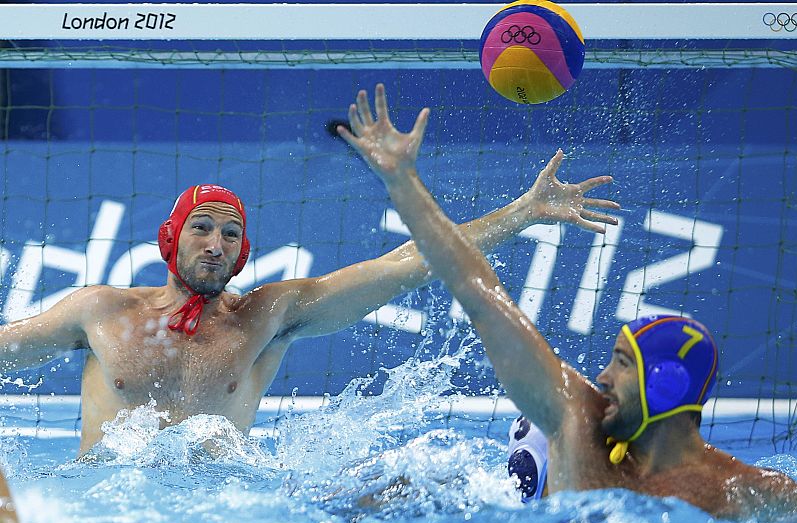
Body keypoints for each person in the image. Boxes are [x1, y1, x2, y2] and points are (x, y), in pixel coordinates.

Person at [0, 101, 618, 458]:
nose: (216, 245)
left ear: (242, 254)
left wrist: (524, 213)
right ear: (170, 239)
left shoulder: (267, 316)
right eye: (202, 229)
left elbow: (402, 266)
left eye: (232, 235)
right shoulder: (101, 311)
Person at [338, 84, 797, 521]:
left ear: (665, 384)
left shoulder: (742, 489)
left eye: (622, 363)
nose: (602, 376)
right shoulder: (577, 421)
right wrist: (402, 181)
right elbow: (475, 289)